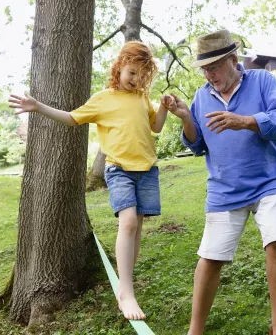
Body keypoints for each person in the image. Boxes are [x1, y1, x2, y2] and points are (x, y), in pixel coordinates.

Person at [9, 41, 170, 321]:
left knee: (138, 226)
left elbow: (155, 127)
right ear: (119, 67)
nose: (136, 79)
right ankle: (126, 291)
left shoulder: (142, 99)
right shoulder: (103, 98)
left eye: (143, 76)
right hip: (119, 168)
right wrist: (37, 107)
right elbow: (72, 118)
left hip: (147, 169)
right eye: (132, 72)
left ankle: (126, 283)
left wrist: (166, 107)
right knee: (128, 222)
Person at [164, 29, 276, 335]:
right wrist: (186, 117)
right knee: (210, 259)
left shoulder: (262, 81)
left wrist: (247, 121)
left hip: (269, 181)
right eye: (205, 69)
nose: (210, 75)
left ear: (234, 60)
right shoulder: (201, 97)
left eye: (215, 67)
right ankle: (193, 332)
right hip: (225, 189)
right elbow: (198, 146)